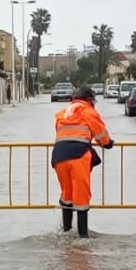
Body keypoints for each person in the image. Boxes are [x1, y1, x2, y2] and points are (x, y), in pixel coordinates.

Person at [51, 85, 112, 238]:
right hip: (78, 155)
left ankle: (66, 232)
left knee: (67, 194)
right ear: (90, 100)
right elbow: (102, 137)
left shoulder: (63, 113)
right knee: (81, 196)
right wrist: (109, 143)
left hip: (59, 156)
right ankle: (83, 238)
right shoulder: (88, 112)